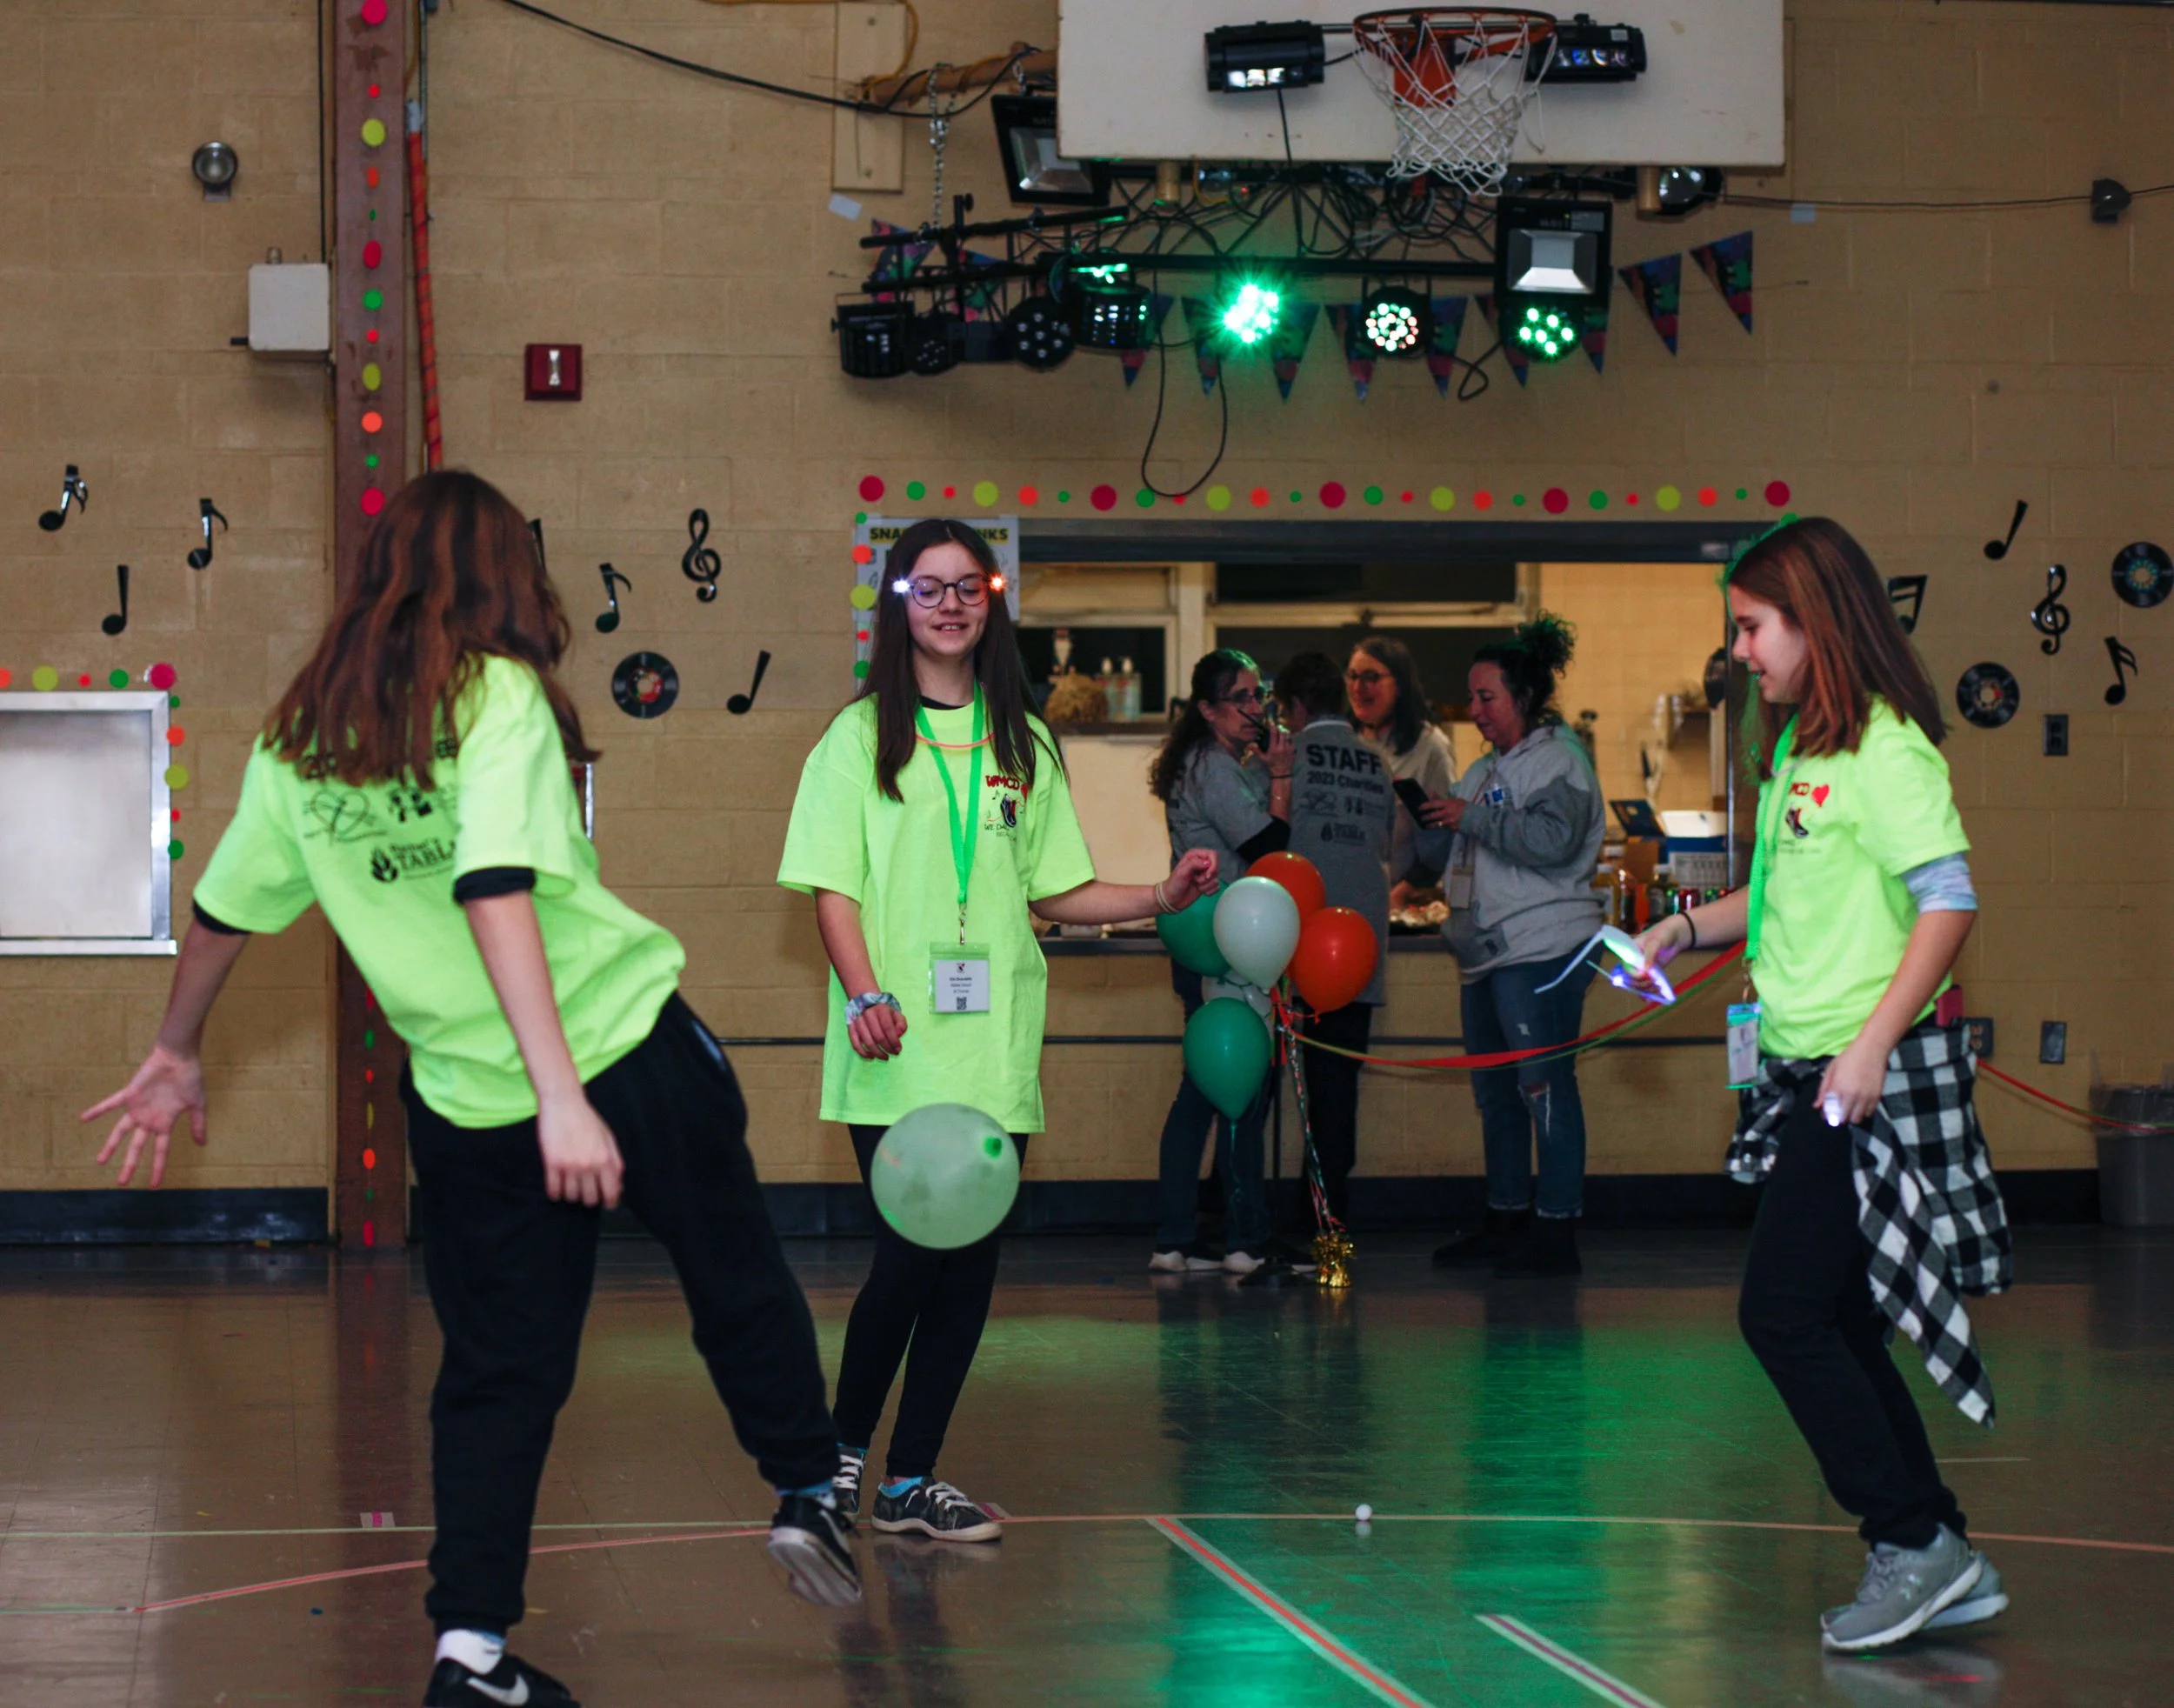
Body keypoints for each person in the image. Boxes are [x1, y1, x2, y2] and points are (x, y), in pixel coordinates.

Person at [82, 471, 858, 1708]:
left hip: (464, 1098)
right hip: (611, 1053)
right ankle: (807, 1485)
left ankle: (472, 1653)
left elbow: (226, 913)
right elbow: (492, 883)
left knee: (498, 1373)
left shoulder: (301, 741)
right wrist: (566, 1097)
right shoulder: (499, 696)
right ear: (505, 575)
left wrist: (177, 1045)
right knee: (732, 1267)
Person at [780, 519, 1216, 1542]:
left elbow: (1055, 890)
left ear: (992, 598)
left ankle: (909, 1480)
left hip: (993, 1050)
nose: (947, 604)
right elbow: (833, 891)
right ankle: (838, 1457)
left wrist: (1157, 890)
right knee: (907, 1254)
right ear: (896, 605)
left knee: (967, 1267)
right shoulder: (856, 739)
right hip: (894, 1039)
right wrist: (860, 994)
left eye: (966, 586)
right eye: (924, 589)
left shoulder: (1024, 743)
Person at [1632, 517, 2011, 1652]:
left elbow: (1948, 901)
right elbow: (1783, 898)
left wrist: (1874, 1042)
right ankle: (1936, 1542)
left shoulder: (1890, 750)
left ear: (1816, 621)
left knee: (1783, 1313)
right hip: (1803, 1075)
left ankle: (1912, 1541)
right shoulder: (1806, 748)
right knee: (1839, 1316)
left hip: (1861, 1089)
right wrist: (1685, 928)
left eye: (1754, 628)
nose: (1742, 651)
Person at [1413, 615, 1605, 1279]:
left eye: (1486, 696)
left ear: (1523, 695)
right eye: (1471, 698)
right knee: (1496, 1095)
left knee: (1543, 1087)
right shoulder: (1483, 769)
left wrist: (1473, 817)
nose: (1475, 710)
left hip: (1544, 948)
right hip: (1487, 955)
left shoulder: (1562, 762)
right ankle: (1505, 1218)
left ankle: (1557, 1230)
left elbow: (1551, 841)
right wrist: (1431, 822)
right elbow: (1449, 853)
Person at [1145, 648, 1295, 1276]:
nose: (1255, 709)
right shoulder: (1210, 767)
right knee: (1239, 1090)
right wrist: (1282, 778)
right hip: (1230, 945)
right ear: (1207, 709)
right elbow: (1267, 849)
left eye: (1259, 694)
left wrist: (1264, 770)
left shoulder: (1218, 764)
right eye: (1241, 697)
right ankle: (1243, 1239)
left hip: (1214, 941)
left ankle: (1178, 1238)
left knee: (1202, 1091)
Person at [1271, 651, 1394, 1224]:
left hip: (1298, 943)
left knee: (1279, 1089)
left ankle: (1283, 1221)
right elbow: (1389, 847)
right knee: (1337, 1091)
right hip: (1361, 942)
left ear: (1295, 706)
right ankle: (1330, 1217)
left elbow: (1266, 841)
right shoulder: (1378, 762)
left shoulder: (1284, 761)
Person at [1345, 637, 1457, 908]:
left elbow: (1445, 839)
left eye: (1372, 677)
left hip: (1397, 904)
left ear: (1400, 685)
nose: (1359, 687)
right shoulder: (1343, 741)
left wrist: (1405, 890)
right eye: (1353, 676)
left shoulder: (1429, 747)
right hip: (1341, 897)